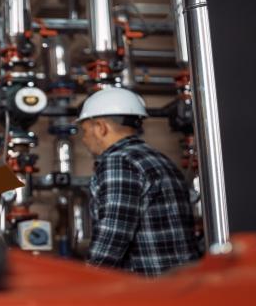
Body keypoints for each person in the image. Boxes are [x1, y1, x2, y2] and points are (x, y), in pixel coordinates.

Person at [77, 87, 201, 275]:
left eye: (85, 131)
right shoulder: (159, 159)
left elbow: (112, 236)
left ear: (101, 128)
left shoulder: (119, 161)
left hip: (148, 292)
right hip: (180, 286)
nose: (84, 139)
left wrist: (83, 282)